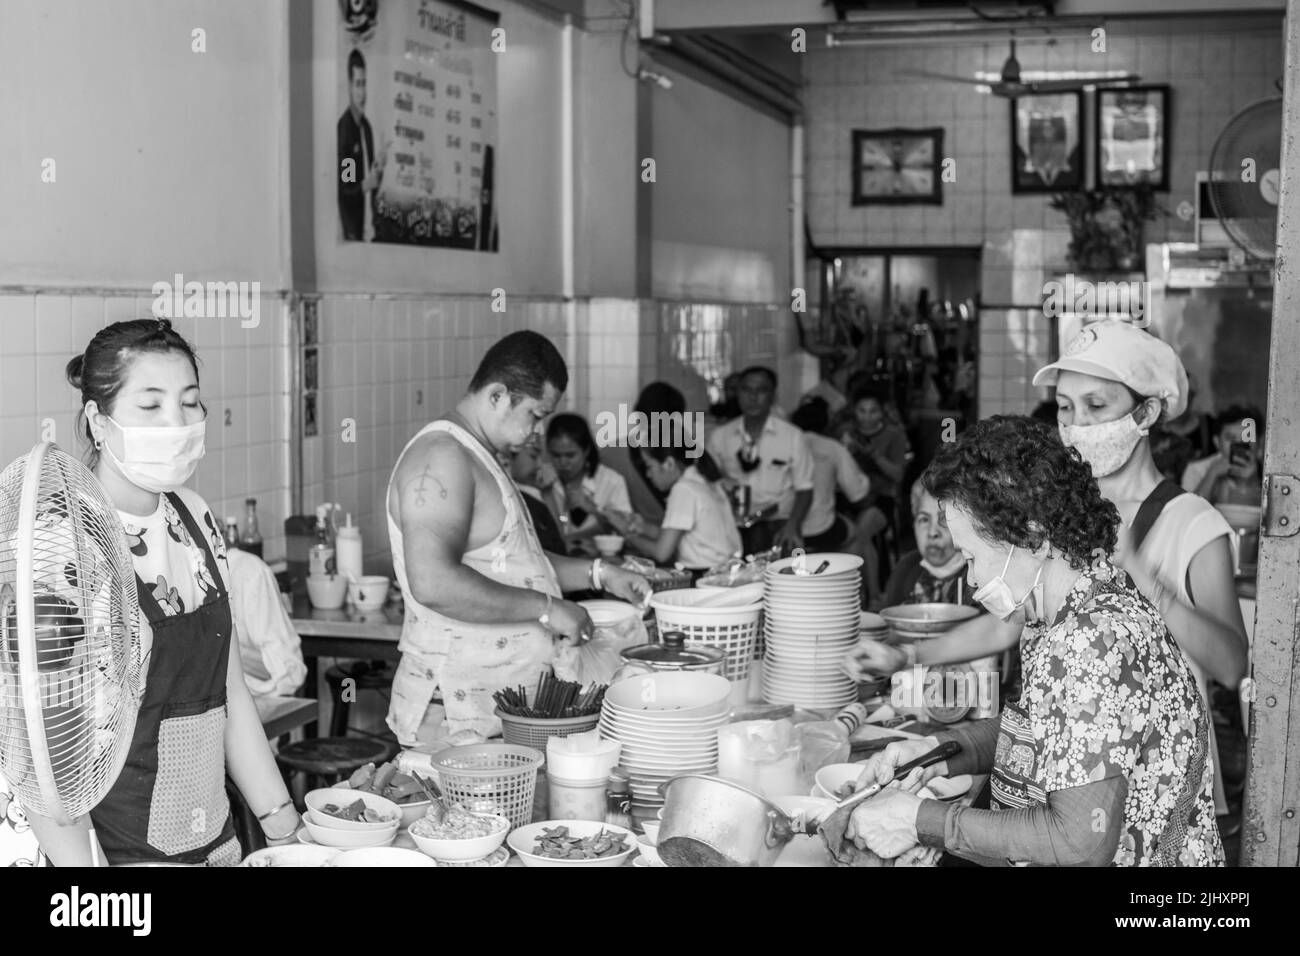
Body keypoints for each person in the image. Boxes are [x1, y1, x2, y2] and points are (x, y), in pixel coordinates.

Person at [850, 322, 1248, 818]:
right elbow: (1011, 619)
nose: (1075, 424)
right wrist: (907, 654)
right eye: (1065, 406)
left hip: (1153, 788)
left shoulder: (1191, 522)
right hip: (1066, 773)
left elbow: (1233, 665)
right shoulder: (1055, 514)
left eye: (1096, 406)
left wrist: (1144, 576)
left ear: (1145, 412)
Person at [844, 416, 1223, 867]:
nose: (971, 578)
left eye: (972, 556)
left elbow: (1080, 844)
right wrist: (940, 752)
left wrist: (919, 820)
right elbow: (1050, 732)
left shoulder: (1090, 642)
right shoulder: (1069, 606)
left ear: (1034, 536)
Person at [17, 319, 299, 867]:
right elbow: (40, 747)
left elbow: (230, 691)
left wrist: (283, 826)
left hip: (208, 839)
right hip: (107, 851)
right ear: (99, 422)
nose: (178, 422)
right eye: (151, 406)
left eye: (190, 402)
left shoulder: (193, 517)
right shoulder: (59, 542)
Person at [385, 331, 651, 747]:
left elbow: (514, 561)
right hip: (456, 719)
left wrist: (599, 573)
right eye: (535, 414)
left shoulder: (479, 454)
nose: (539, 432)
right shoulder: (441, 458)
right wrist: (548, 609)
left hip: (498, 715)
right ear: (497, 395)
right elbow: (433, 583)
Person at [706, 366, 815, 556]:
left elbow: (805, 489)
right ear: (737, 393)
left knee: (785, 577)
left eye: (761, 390)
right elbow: (708, 480)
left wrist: (792, 526)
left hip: (778, 523)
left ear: (772, 395)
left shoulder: (792, 436)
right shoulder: (721, 436)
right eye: (746, 390)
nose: (753, 397)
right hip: (733, 524)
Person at [606, 447, 741, 573]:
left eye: (649, 466)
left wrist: (625, 532)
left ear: (669, 463)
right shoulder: (704, 480)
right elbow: (674, 536)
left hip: (705, 575)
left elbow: (661, 553)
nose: (648, 474)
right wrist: (642, 527)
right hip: (727, 571)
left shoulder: (683, 489)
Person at [789, 397, 872, 563]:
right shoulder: (832, 447)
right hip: (822, 529)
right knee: (856, 536)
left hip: (785, 527)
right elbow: (857, 493)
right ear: (826, 422)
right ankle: (849, 582)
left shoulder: (786, 444)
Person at [541, 413, 633, 556]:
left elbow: (627, 533)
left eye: (570, 455)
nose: (563, 463)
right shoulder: (543, 479)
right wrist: (545, 490)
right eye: (556, 455)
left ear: (586, 451)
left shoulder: (611, 481)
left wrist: (593, 509)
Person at [881, 479, 979, 609]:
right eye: (924, 519)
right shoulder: (906, 570)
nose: (933, 532)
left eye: (944, 519)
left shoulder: (978, 581)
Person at [337, 49, 383, 241]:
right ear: (349, 86)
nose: (362, 92)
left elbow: (372, 185)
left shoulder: (367, 128)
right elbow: (346, 191)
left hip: (370, 232)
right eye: (357, 84)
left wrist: (379, 169)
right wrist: (366, 185)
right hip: (353, 234)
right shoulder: (346, 129)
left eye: (364, 84)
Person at [1186, 405, 1265, 507]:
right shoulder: (1196, 470)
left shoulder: (1269, 472)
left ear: (1259, 442)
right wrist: (1212, 473)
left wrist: (1252, 482)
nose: (1239, 444)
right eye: (1231, 438)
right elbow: (1189, 512)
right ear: (1217, 442)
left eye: (1247, 438)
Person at [502, 440, 568, 557]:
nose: (539, 465)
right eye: (533, 456)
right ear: (508, 457)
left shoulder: (534, 494)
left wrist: (546, 492)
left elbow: (559, 543)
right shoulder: (513, 499)